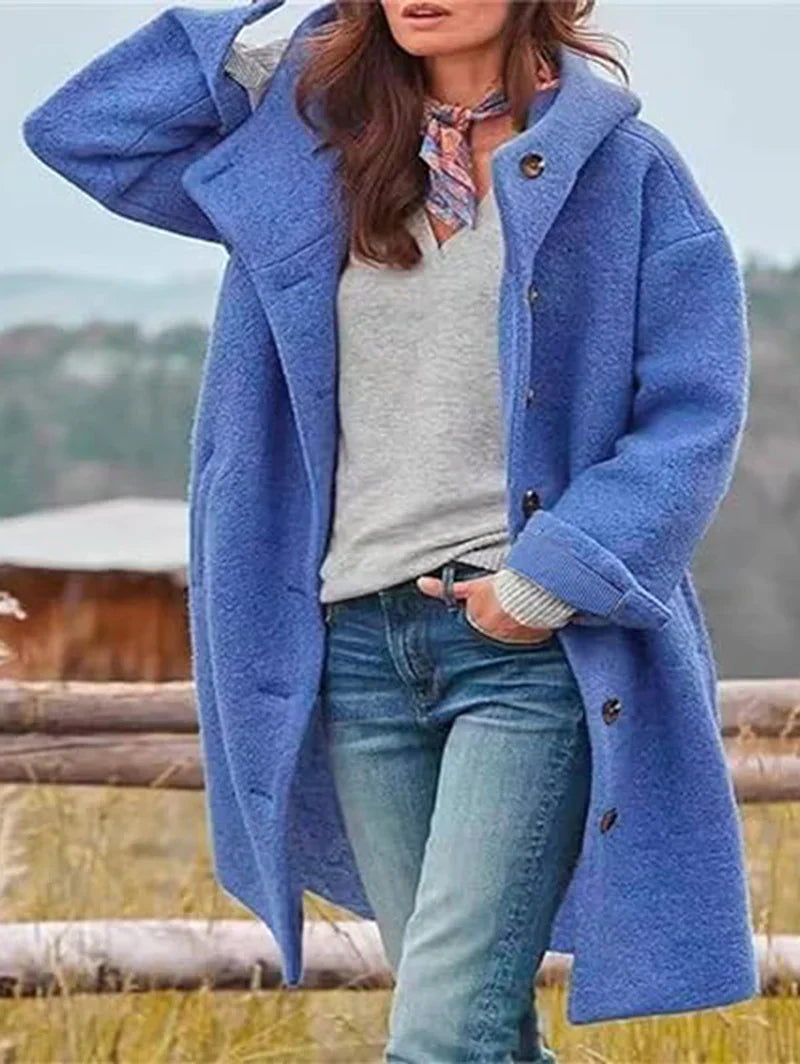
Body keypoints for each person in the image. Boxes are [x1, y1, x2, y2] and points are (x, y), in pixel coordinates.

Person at [22, 1, 759, 1060]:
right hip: (355, 650)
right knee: (473, 1024)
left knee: (438, 1033)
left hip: (525, 646)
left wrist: (545, 583)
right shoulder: (313, 160)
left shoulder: (624, 173)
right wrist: (282, 21)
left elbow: (692, 414)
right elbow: (84, 130)